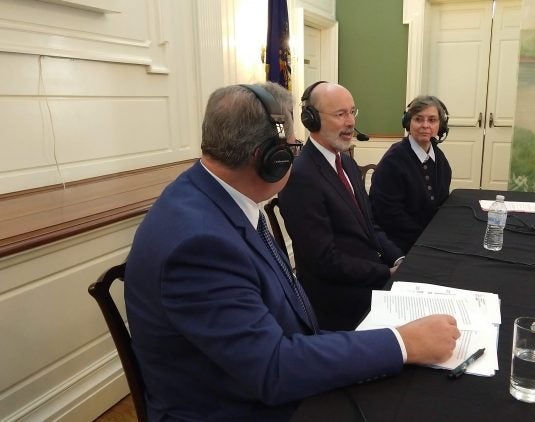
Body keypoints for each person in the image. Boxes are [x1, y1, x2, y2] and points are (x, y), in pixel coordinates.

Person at [124, 82, 461, 421]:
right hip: (236, 407)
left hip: (268, 371)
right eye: (291, 145)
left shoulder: (218, 196)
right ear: (271, 157)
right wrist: (403, 343)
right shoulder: (199, 245)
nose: (294, 152)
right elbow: (273, 369)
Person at [278, 81, 405, 331]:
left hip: (367, 278)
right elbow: (324, 260)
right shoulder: (301, 177)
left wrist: (400, 258)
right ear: (311, 120)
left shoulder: (346, 163)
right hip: (339, 300)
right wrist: (385, 273)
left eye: (352, 112)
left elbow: (371, 226)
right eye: (340, 114)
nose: (350, 122)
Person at [369, 95, 452, 253]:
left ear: (441, 126)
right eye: (418, 119)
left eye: (432, 120)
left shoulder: (440, 159)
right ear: (408, 123)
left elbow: (442, 201)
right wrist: (426, 238)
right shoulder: (393, 160)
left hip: (429, 238)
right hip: (400, 242)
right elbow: (389, 214)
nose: (425, 125)